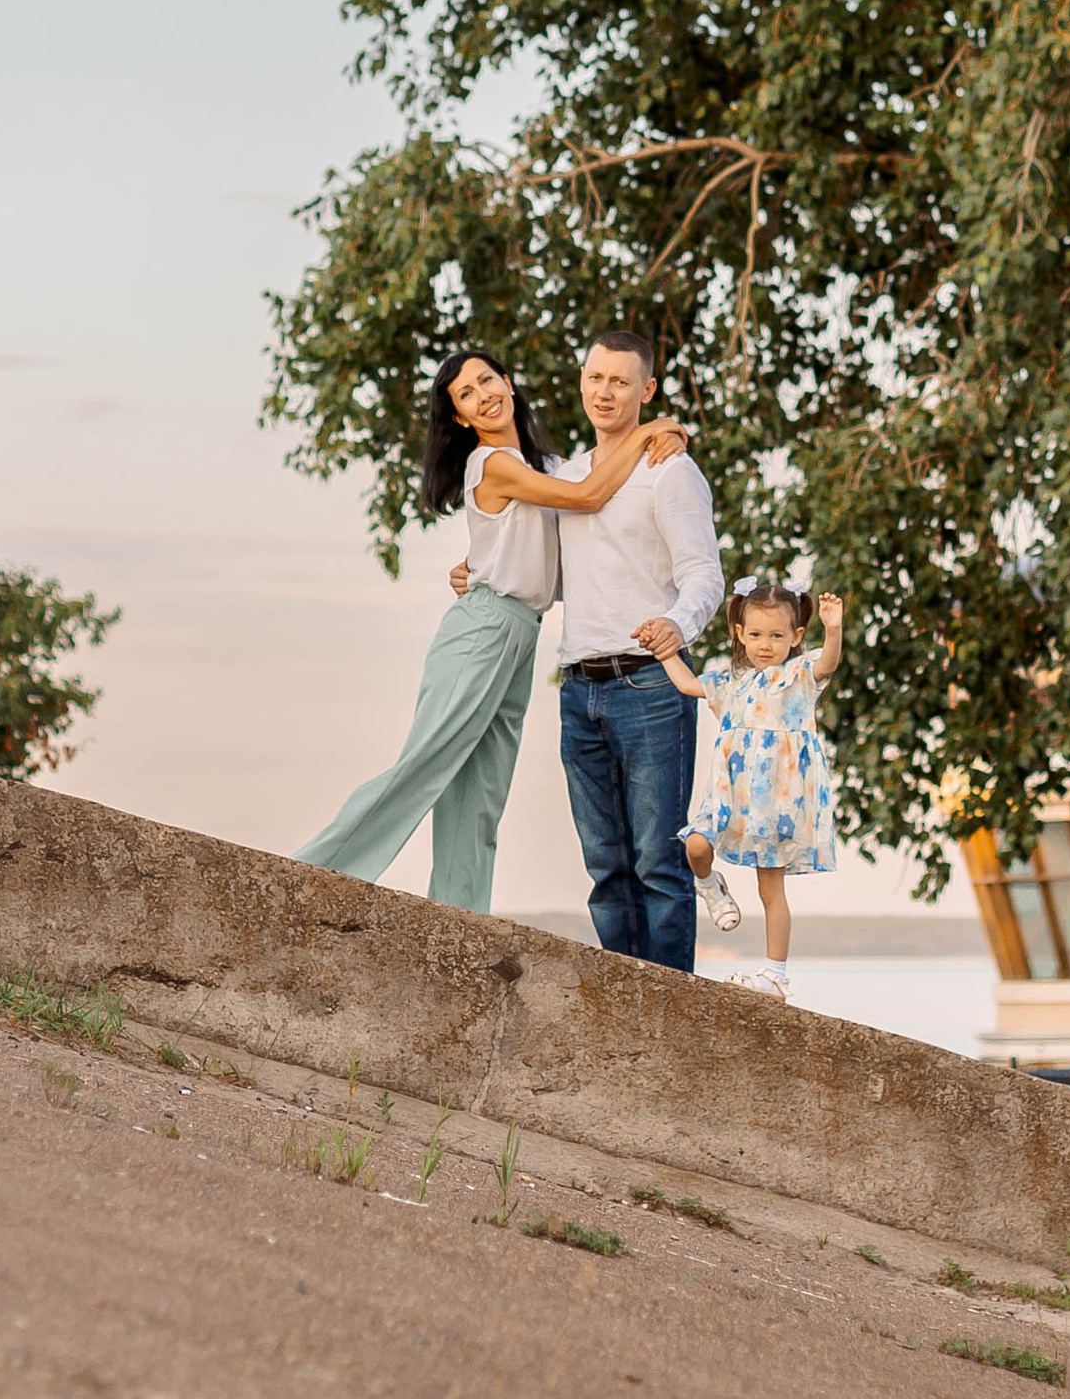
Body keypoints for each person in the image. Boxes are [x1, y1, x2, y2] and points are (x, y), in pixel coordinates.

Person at [299, 346, 686, 913]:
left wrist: (666, 433)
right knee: (423, 766)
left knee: (479, 797)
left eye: (487, 380)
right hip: (483, 630)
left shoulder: (541, 468)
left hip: (521, 635)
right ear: (460, 416)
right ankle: (313, 874)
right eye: (466, 394)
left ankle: (459, 917)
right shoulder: (490, 464)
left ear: (508, 381)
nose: (484, 396)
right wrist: (654, 427)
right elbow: (589, 494)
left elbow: (563, 542)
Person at [544, 326, 725, 971]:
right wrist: (474, 575)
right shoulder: (566, 477)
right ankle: (624, 1011)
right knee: (605, 868)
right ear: (582, 381)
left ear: (646, 390)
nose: (605, 391)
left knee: (658, 863)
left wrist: (680, 623)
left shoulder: (669, 471)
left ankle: (674, 1020)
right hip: (579, 689)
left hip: (651, 685)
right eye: (596, 377)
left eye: (620, 381)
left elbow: (705, 572)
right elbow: (556, 577)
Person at [646, 580, 846, 1001]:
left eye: (777, 635)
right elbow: (687, 685)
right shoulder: (729, 682)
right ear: (739, 633)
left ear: (795, 637)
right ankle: (709, 885)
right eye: (755, 634)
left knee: (771, 890)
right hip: (727, 796)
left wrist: (834, 629)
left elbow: (827, 664)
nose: (765, 644)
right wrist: (663, 652)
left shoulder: (798, 677)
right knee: (695, 847)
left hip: (776, 803)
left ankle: (775, 975)